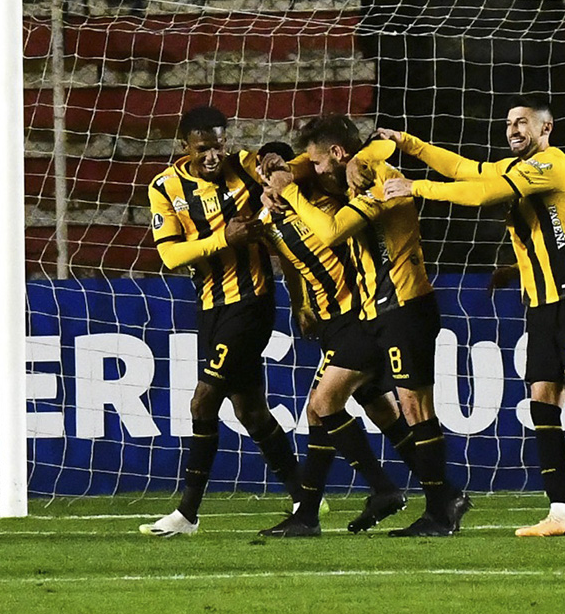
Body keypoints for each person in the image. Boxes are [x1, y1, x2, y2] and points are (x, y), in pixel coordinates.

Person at [377, 94, 565, 537]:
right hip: (541, 305)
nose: (514, 129)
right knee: (542, 405)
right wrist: (410, 144)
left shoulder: (553, 164)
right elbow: (467, 170)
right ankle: (560, 513)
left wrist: (415, 186)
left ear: (545, 129)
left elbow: (481, 193)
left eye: (522, 123)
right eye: (509, 124)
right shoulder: (517, 168)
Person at [264, 116, 471, 537]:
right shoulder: (356, 172)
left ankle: (441, 508)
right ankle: (424, 497)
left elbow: (333, 231)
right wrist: (282, 169)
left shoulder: (380, 180)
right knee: (335, 403)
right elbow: (322, 161)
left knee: (415, 409)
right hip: (376, 313)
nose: (316, 171)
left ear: (339, 154)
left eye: (320, 163)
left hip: (404, 307)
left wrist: (289, 191)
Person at [138, 107, 302, 538]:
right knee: (250, 410)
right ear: (184, 147)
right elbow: (170, 255)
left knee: (202, 402)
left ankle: (188, 513)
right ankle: (305, 497)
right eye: (202, 147)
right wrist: (221, 238)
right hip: (209, 307)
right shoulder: (165, 187)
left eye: (218, 145)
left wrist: (274, 158)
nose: (212, 155)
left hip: (252, 304)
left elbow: (276, 165)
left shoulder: (242, 167)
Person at [252, 142, 415, 537]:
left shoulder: (325, 197)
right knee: (380, 409)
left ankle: (328, 507)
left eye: (280, 165)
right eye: (264, 167)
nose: (271, 172)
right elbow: (289, 265)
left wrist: (292, 175)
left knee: (318, 408)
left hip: (356, 315)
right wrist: (298, 305)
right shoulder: (269, 214)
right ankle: (438, 488)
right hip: (328, 322)